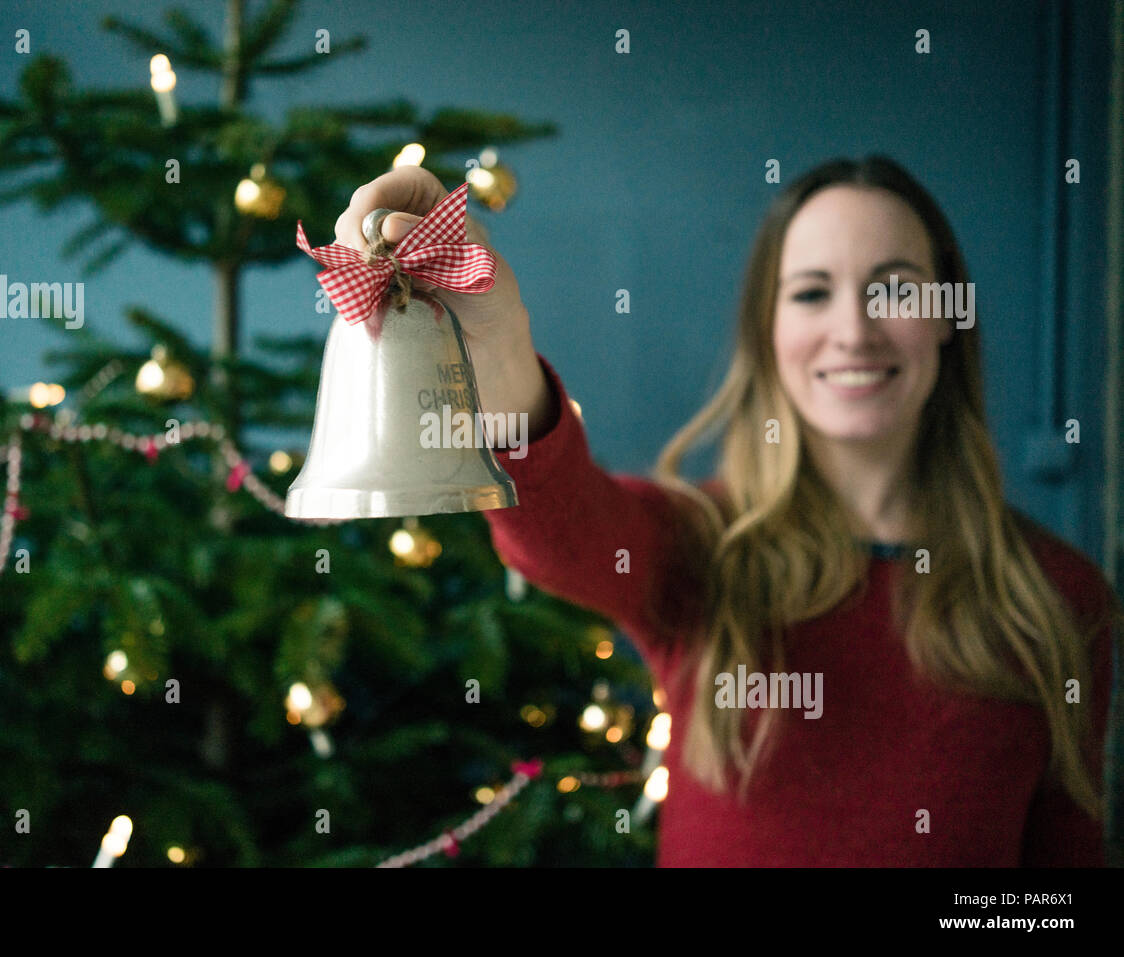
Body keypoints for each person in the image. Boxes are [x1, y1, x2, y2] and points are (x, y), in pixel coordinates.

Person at [333, 156, 1122, 866]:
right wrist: (496, 330)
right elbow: (560, 528)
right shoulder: (698, 547)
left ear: (949, 318)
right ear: (768, 331)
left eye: (896, 290)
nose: (854, 329)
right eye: (813, 292)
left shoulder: (1060, 596)